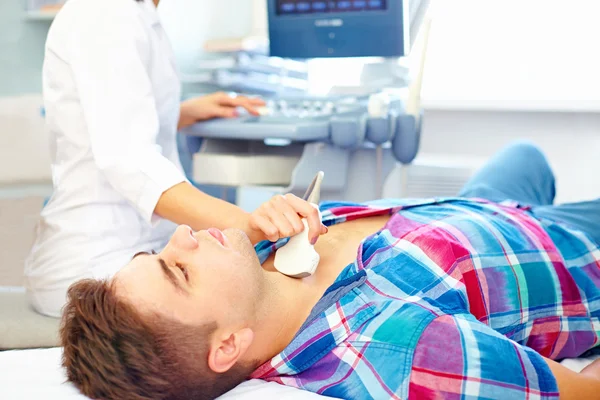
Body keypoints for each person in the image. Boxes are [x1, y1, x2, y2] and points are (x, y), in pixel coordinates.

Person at [60, 141, 600, 400]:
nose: (181, 236)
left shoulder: (263, 262)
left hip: (478, 209)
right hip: (570, 251)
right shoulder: (398, 348)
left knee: (526, 156)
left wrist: (262, 230)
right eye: (179, 271)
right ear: (226, 346)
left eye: (157, 254)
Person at [24, 0, 326, 318]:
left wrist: (181, 113)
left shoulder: (137, 12)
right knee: (269, 306)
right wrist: (245, 226)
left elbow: (109, 118)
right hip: (98, 265)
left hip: (138, 249)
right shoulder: (108, 12)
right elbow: (128, 160)